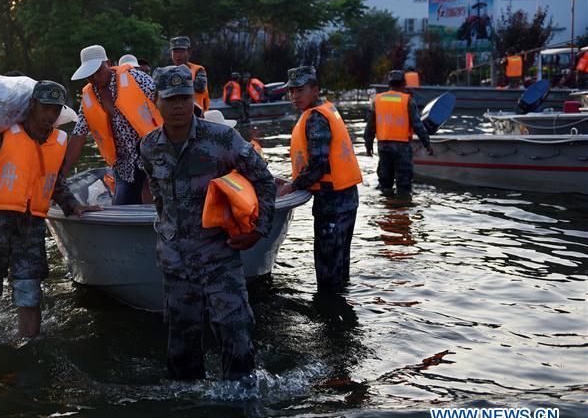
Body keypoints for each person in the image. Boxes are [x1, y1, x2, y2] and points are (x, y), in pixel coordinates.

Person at [140, 65, 276, 381]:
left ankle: (240, 405)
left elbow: (264, 181)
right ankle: (188, 413)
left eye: (184, 98)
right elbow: (160, 198)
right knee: (181, 348)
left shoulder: (223, 138)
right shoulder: (148, 147)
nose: (177, 106)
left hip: (219, 257)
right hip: (176, 264)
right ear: (155, 101)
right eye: (170, 99)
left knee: (236, 333)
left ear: (194, 98)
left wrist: (259, 230)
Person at [0, 80, 99, 336]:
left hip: (30, 226)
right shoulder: (2, 132)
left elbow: (54, 180)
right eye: (46, 108)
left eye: (56, 109)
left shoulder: (59, 140)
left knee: (30, 291)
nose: (51, 115)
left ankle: (29, 347)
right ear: (32, 105)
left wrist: (73, 206)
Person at [283, 66, 361, 294]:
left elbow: (318, 165)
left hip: (333, 204)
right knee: (340, 267)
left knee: (328, 275)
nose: (295, 96)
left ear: (315, 90)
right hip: (346, 199)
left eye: (300, 90)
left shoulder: (316, 118)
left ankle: (331, 319)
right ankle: (342, 314)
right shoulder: (326, 109)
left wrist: (292, 185)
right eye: (291, 91)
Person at [63, 44, 160, 205]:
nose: (94, 78)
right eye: (89, 75)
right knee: (120, 208)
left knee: (154, 198)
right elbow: (78, 136)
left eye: (98, 71)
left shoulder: (137, 79)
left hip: (155, 156)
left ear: (108, 63)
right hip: (124, 166)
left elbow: (165, 103)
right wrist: (60, 175)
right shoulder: (88, 98)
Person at [363, 70, 434, 195]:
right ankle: (402, 209)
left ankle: (386, 210)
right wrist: (427, 145)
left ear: (389, 83)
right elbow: (418, 126)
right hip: (402, 148)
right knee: (404, 185)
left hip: (383, 147)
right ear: (404, 84)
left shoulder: (378, 100)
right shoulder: (407, 101)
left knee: (385, 184)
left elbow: (370, 127)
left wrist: (368, 146)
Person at [169, 36, 210, 112]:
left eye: (182, 51)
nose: (178, 55)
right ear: (171, 54)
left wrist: (175, 81)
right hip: (175, 115)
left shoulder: (198, 70)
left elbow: (200, 87)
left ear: (189, 53)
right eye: (175, 52)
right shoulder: (168, 72)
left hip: (197, 117)